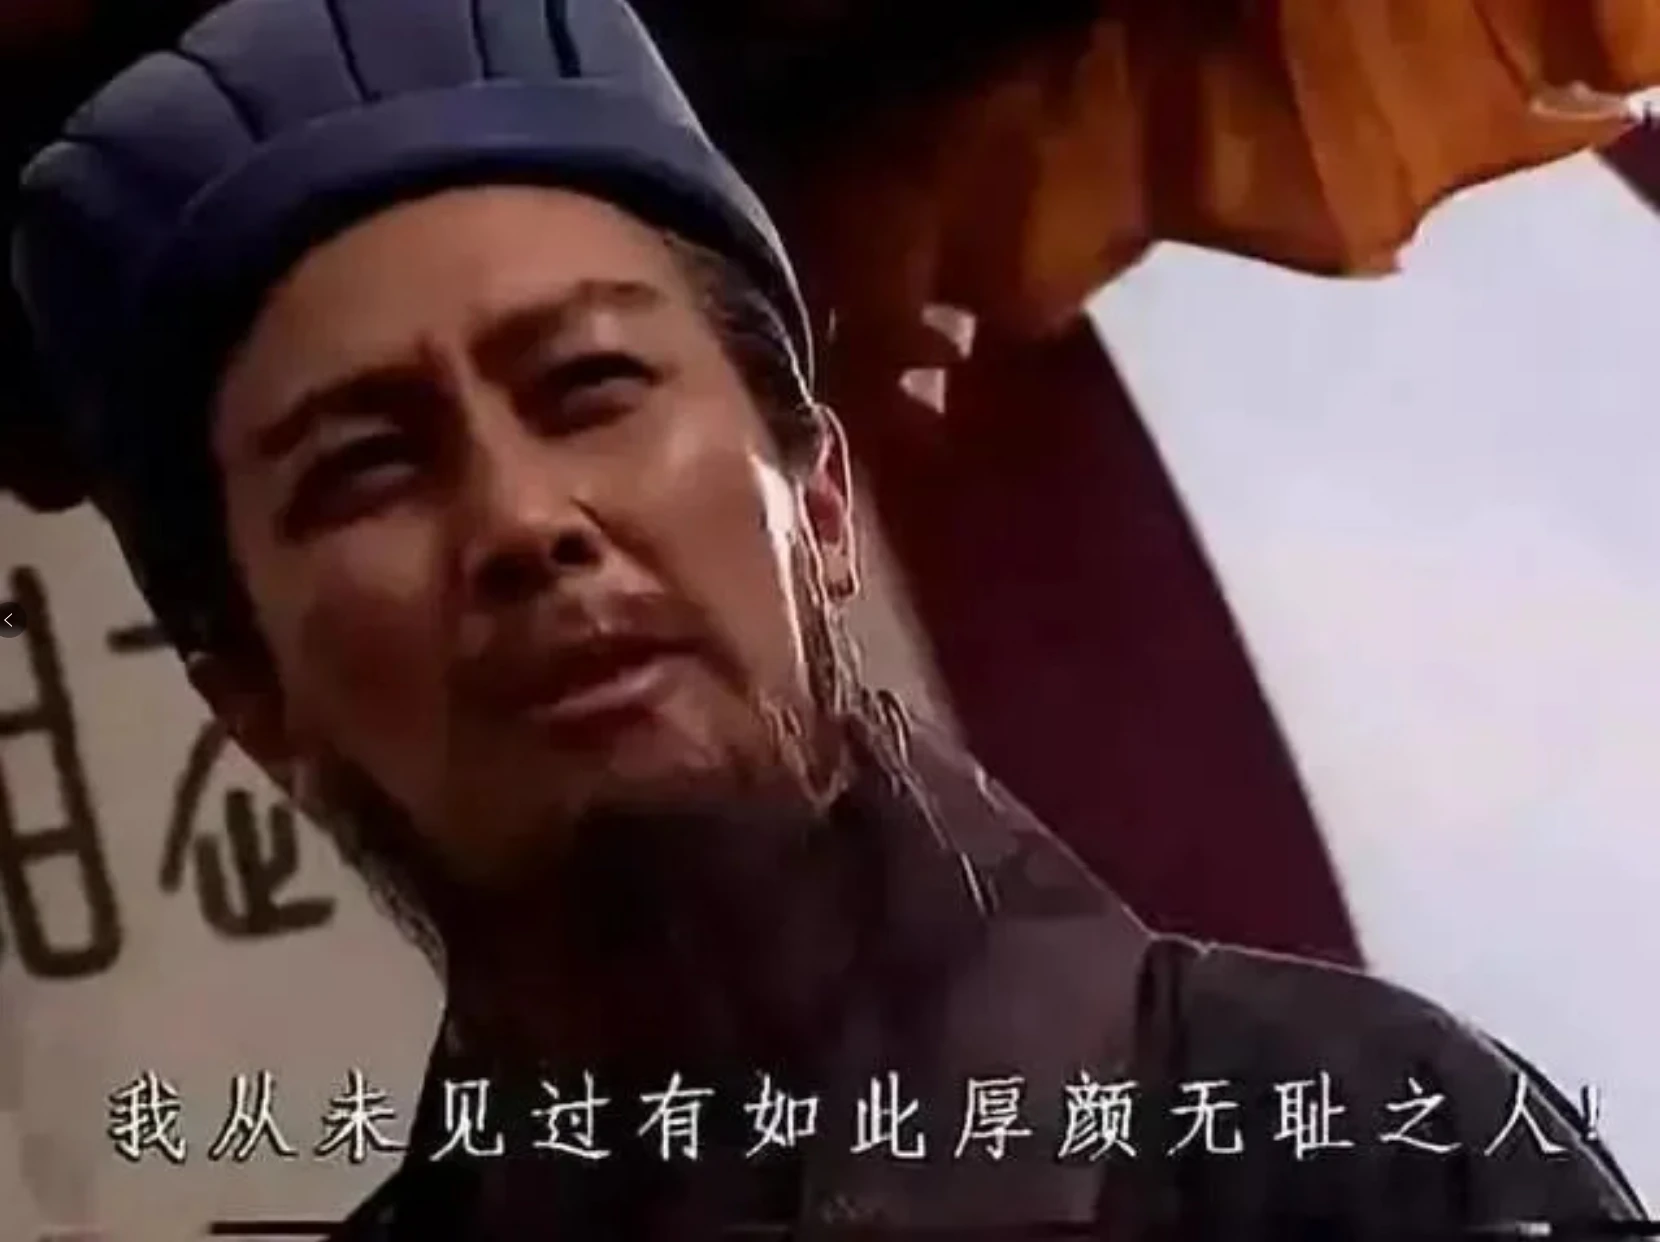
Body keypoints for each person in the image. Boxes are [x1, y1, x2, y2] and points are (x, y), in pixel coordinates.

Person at [8, 0, 1646, 1238]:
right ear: (250, 696)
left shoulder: (1361, 1143)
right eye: (367, 466)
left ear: (825, 497)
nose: (522, 521)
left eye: (590, 384)